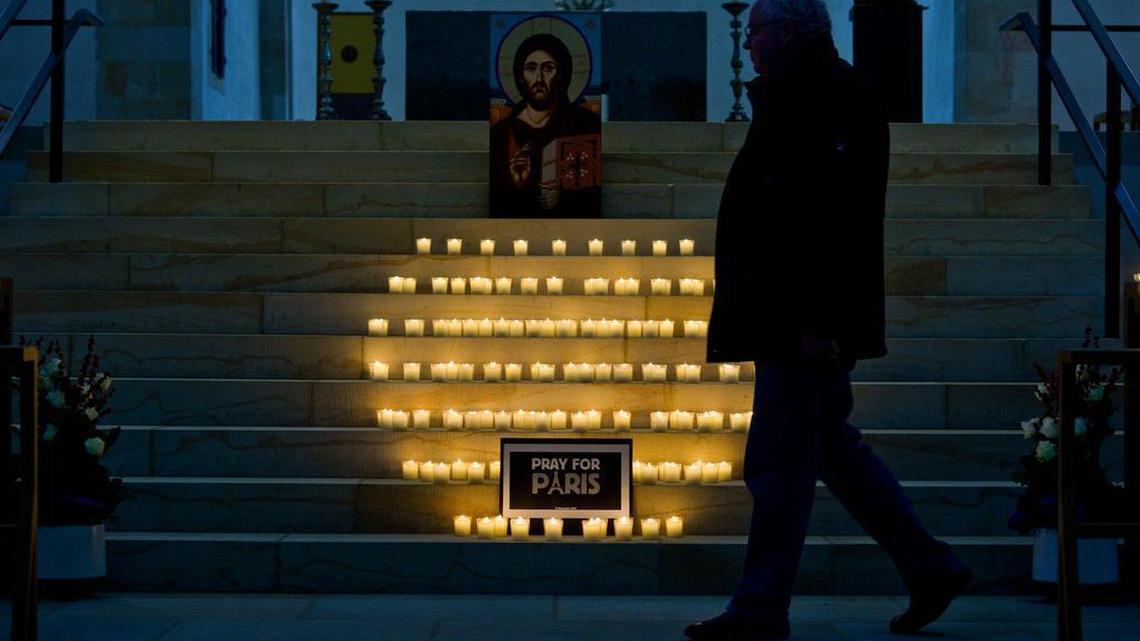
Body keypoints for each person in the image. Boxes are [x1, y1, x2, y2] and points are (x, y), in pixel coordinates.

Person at [686, 1, 972, 639]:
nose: (750, 45)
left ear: (787, 33)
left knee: (778, 464)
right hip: (793, 310)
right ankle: (930, 567)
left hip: (799, 316)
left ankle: (761, 608)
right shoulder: (808, 91)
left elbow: (828, 220)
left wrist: (813, 319)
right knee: (834, 453)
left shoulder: (826, 96)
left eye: (757, 32)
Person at [490, 33, 601, 217]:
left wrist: (563, 198)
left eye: (548, 68)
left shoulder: (584, 124)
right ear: (520, 77)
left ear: (560, 75)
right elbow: (497, 200)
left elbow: (593, 194)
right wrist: (518, 185)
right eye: (531, 69)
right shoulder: (500, 134)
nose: (539, 79)